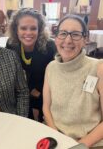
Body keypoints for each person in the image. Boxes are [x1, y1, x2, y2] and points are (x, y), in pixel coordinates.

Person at [43, 14, 103, 148]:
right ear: (56, 37)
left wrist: (78, 145)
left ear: (85, 39)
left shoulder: (99, 68)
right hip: (57, 137)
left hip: (91, 143)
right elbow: (46, 107)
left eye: (75, 34)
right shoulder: (51, 68)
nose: (68, 40)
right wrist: (56, 136)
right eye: (63, 33)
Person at [6, 8, 56, 122]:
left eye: (33, 28)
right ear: (16, 29)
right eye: (23, 28)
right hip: (23, 91)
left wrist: (38, 92)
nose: (28, 33)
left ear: (40, 30)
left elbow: (56, 76)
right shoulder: (11, 44)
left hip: (45, 92)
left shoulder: (50, 46)